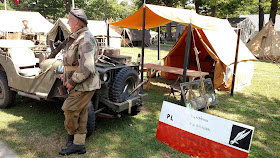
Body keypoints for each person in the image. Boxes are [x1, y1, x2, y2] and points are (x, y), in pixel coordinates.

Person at [58, 8, 101, 156]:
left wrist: (72, 81)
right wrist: (66, 75)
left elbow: (87, 66)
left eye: (70, 19)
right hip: (81, 82)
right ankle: (78, 144)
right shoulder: (78, 37)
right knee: (82, 113)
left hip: (84, 84)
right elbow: (74, 62)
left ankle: (72, 134)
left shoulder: (86, 38)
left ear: (77, 21)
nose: (68, 22)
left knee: (69, 109)